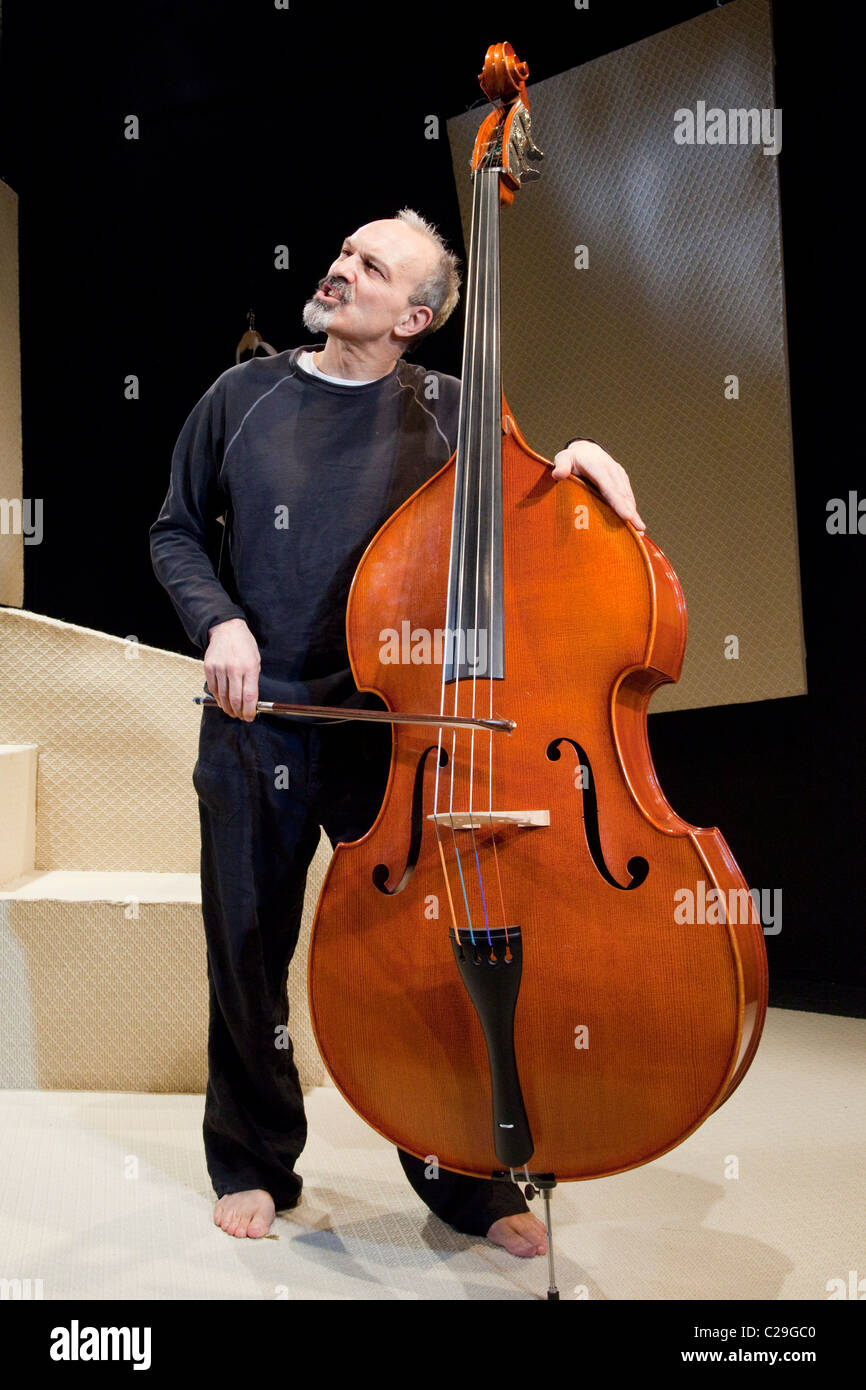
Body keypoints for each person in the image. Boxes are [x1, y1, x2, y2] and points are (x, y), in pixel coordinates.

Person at [149, 207, 645, 1260]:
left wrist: (583, 460)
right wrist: (219, 619)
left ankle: (461, 1179)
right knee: (246, 951)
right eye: (340, 253)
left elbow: (529, 507)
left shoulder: (452, 411)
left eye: (367, 267)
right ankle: (251, 1160)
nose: (337, 270)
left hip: (398, 736)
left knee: (434, 961)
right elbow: (176, 531)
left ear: (413, 315)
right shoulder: (241, 396)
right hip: (259, 724)